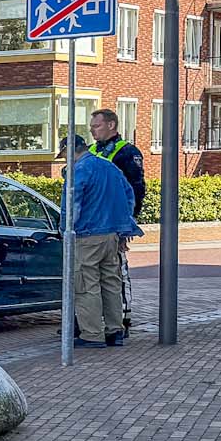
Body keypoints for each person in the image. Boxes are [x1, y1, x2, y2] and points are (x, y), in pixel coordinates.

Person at [65, 134, 141, 347]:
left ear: (70, 151)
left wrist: (66, 230)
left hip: (87, 235)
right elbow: (129, 197)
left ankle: (91, 334)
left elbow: (72, 204)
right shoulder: (110, 168)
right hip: (112, 236)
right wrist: (124, 229)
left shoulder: (79, 170)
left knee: (86, 284)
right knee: (111, 283)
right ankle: (115, 331)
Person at [88, 108, 147, 327]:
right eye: (92, 127)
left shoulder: (126, 152)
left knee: (117, 272)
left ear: (111, 125)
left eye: (97, 126)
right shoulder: (92, 151)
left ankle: (123, 317)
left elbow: (136, 190)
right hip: (94, 224)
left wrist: (126, 226)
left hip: (114, 224)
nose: (93, 131)